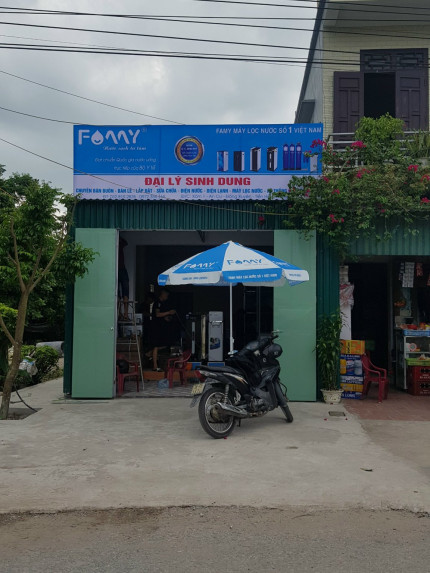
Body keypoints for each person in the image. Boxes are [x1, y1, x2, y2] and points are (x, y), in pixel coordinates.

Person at [149, 289, 176, 371]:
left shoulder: (163, 303)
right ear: (163, 294)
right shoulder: (157, 302)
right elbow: (157, 314)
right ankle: (155, 365)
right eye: (166, 295)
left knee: (164, 344)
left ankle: (149, 353)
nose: (167, 297)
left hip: (161, 327)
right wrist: (169, 312)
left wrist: (166, 317)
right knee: (156, 346)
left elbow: (161, 315)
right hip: (155, 327)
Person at [118, 236, 130, 320]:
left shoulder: (119, 244)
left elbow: (126, 243)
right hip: (120, 269)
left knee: (121, 291)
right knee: (123, 291)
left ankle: (123, 313)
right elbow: (125, 242)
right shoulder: (120, 244)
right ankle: (122, 313)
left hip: (120, 269)